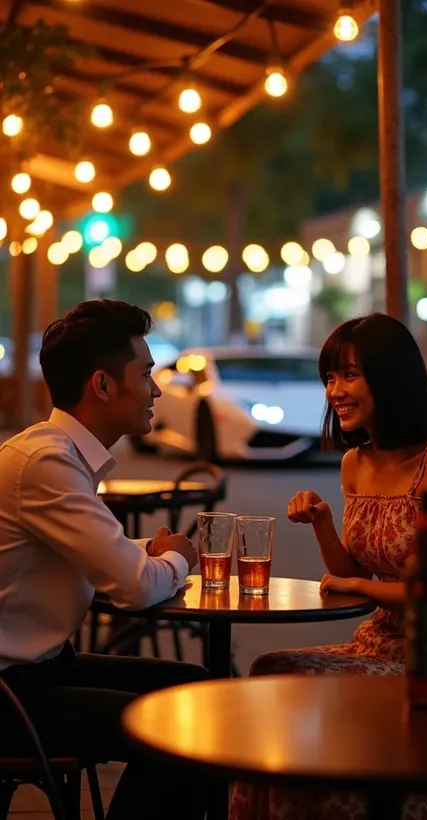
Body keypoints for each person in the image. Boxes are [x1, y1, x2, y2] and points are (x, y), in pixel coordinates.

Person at [230, 313, 427, 820]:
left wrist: (354, 582)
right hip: (380, 642)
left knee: (288, 678)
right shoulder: (355, 463)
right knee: (270, 672)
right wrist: (321, 523)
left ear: (390, 378)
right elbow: (351, 567)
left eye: (349, 375)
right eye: (329, 377)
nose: (335, 390)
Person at [0, 299, 209, 820]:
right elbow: (135, 589)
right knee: (186, 722)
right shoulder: (45, 461)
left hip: (42, 672)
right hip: (11, 693)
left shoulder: (57, 454)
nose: (156, 390)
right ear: (103, 385)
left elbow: (83, 555)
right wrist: (178, 559)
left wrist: (143, 552)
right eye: (147, 373)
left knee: (199, 691)